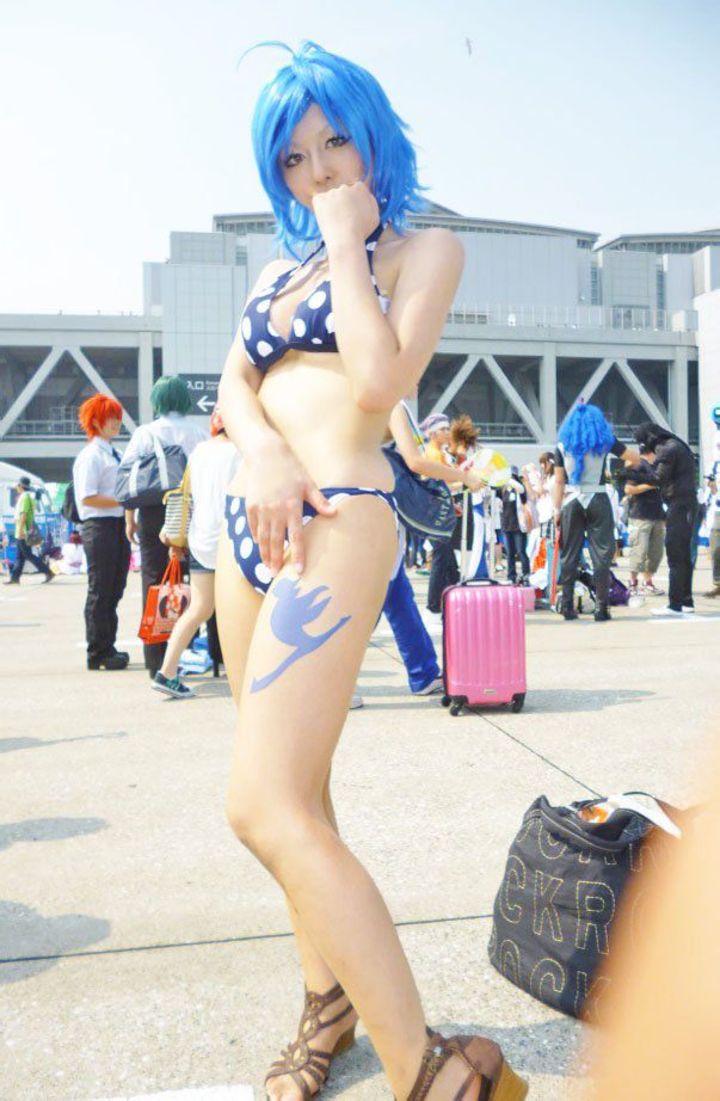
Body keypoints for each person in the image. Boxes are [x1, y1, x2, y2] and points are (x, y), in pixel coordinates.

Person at [214, 42, 525, 1101]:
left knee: (261, 805)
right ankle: (327, 1004)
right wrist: (261, 452)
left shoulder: (423, 250)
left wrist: (348, 240)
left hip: (342, 517)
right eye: (293, 157)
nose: (318, 170)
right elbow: (233, 382)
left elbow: (382, 379)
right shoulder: (275, 270)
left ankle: (425, 1067)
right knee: (301, 793)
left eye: (335, 141)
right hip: (251, 524)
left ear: (374, 137)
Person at [122, 376, 207, 678]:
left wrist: (129, 519)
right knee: (193, 582)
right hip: (190, 511)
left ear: (157, 401)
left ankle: (156, 660)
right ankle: (187, 652)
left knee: (155, 583)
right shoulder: (198, 433)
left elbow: (129, 480)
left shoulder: (144, 433)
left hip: (153, 512)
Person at [152, 409, 240, 698]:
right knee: (245, 609)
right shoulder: (243, 453)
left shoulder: (200, 451)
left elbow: (188, 495)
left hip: (201, 540)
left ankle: (166, 672)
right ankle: (248, 677)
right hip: (234, 540)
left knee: (199, 609)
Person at [552, 402, 640, 622]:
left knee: (569, 555)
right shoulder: (605, 441)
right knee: (601, 555)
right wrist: (618, 473)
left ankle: (567, 606)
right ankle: (601, 608)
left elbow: (559, 481)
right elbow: (635, 458)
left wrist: (556, 510)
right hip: (598, 498)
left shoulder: (562, 445)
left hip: (571, 500)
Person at [72, 395, 130, 670]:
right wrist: (122, 500)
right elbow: (87, 496)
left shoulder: (113, 452)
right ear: (95, 420)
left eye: (118, 417)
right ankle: (97, 652)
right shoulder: (91, 456)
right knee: (101, 589)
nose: (116, 422)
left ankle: (109, 646)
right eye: (110, 417)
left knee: (115, 588)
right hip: (99, 526)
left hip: (115, 525)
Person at [633, 422, 697, 617]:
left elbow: (658, 478)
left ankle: (675, 605)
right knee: (683, 555)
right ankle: (686, 600)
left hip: (679, 505)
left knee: (675, 554)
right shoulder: (676, 445)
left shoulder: (667, 448)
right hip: (686, 504)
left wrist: (631, 475)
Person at [422, 414, 474, 613]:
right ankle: (435, 604)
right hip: (436, 512)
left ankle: (452, 600)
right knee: (441, 557)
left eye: (447, 428)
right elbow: (440, 485)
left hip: (441, 509)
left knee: (447, 559)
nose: (447, 432)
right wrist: (466, 484)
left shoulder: (439, 454)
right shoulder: (434, 455)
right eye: (442, 429)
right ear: (432, 434)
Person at [622, 450, 665, 597]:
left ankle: (648, 583)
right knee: (639, 551)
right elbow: (628, 489)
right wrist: (651, 485)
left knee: (656, 553)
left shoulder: (658, 467)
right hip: (640, 516)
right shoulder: (638, 465)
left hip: (658, 516)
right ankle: (633, 583)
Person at [4, 476, 53, 585]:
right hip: (21, 530)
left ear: (20, 486)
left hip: (23, 531)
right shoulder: (27, 497)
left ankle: (48, 571)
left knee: (28, 555)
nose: (16, 487)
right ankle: (15, 578)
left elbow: (24, 514)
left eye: (17, 485)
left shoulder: (25, 497)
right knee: (20, 556)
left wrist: (21, 530)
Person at [500, 467, 530, 583]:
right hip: (506, 525)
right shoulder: (503, 489)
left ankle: (526, 574)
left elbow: (523, 496)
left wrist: (512, 481)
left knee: (521, 551)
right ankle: (511, 576)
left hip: (518, 525)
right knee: (509, 553)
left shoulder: (519, 488)